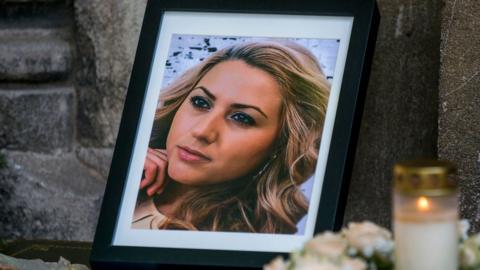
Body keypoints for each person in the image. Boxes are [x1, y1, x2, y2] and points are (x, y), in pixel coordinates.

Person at [132, 40, 330, 234]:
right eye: (201, 102)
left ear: (280, 146)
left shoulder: (248, 240)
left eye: (242, 118)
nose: (202, 131)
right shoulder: (130, 176)